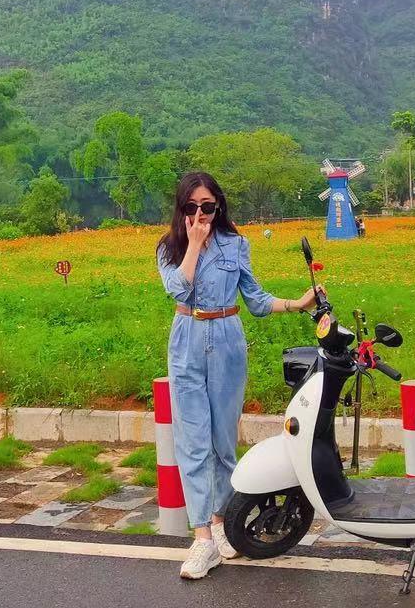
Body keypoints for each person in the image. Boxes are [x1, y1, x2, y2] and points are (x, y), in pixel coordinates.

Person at [156, 171, 320, 579]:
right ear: (182, 209)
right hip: (187, 337)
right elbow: (177, 290)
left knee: (223, 442)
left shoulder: (237, 244)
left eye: (208, 206)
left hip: (227, 339)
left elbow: (256, 300)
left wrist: (297, 304)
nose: (200, 214)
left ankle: (220, 524)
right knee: (193, 443)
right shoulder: (170, 247)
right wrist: (192, 246)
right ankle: (201, 540)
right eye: (192, 207)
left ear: (219, 206)